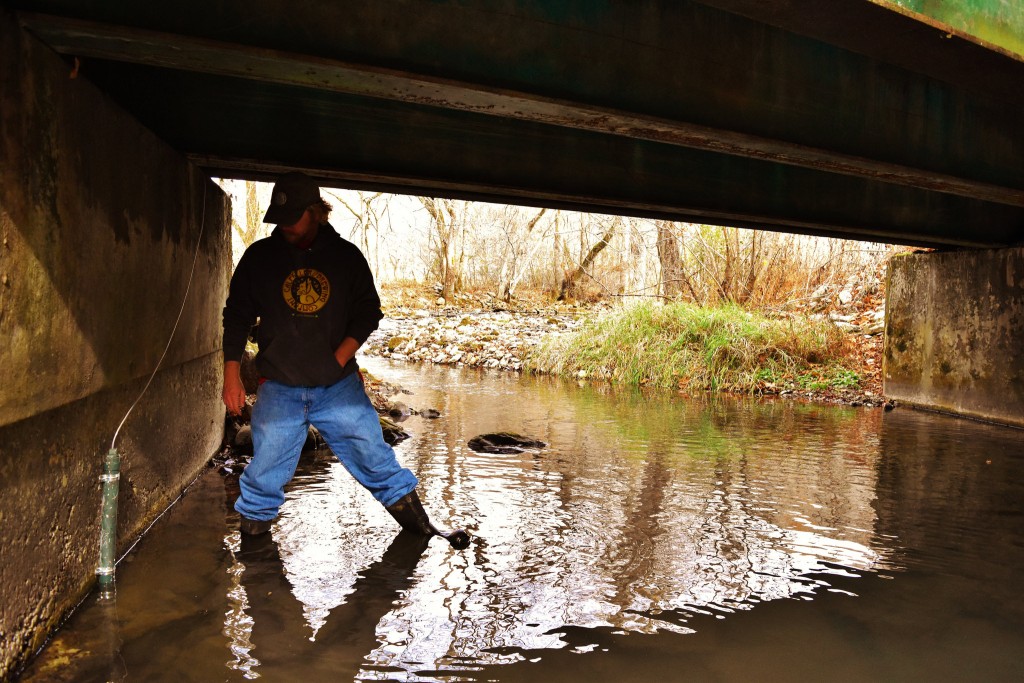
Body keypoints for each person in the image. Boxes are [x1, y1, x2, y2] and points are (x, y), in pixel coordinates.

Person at [222, 172, 469, 549]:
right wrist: (232, 376)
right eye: (280, 220)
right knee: (263, 475)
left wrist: (337, 359)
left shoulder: (346, 257)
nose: (285, 227)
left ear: (317, 212)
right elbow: (236, 316)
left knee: (376, 458)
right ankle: (255, 561)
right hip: (279, 388)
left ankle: (425, 531)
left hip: (338, 389)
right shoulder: (260, 257)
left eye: (293, 219)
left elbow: (369, 313)